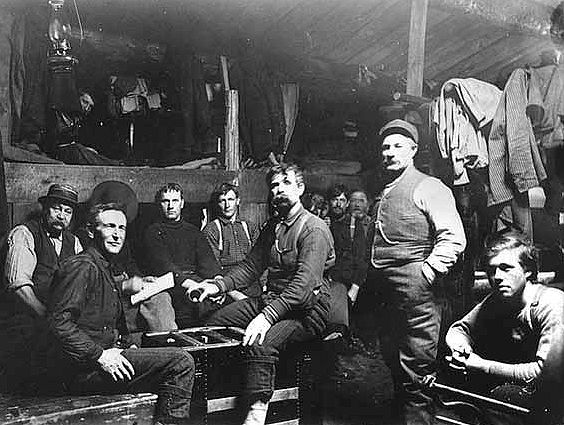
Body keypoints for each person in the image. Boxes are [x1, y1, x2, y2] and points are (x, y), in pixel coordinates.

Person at [184, 162, 335, 425]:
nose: (278, 190)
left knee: (260, 342)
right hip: (273, 301)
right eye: (274, 185)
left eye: (286, 183)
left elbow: (302, 288)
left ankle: (256, 413)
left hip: (307, 311)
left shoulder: (314, 229)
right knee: (214, 324)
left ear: (300, 188)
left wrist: (265, 318)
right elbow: (251, 267)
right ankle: (225, 401)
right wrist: (215, 286)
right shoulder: (273, 226)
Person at [48, 203, 195, 425]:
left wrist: (126, 343)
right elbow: (58, 323)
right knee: (181, 362)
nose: (117, 234)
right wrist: (100, 355)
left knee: (165, 344)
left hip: (102, 355)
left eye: (122, 228)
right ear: (90, 231)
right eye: (109, 226)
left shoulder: (104, 267)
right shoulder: (83, 267)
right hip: (83, 371)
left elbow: (108, 321)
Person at [368, 119, 466, 425]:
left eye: (398, 146)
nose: (390, 152)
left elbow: (454, 237)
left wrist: (427, 271)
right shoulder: (385, 190)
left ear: (413, 150)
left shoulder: (428, 186)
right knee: (393, 359)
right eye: (385, 147)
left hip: (417, 291)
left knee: (417, 369)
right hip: (386, 293)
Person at [445, 230, 564, 424]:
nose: (497, 277)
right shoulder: (497, 300)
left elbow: (542, 374)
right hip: (525, 386)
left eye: (505, 268)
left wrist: (483, 366)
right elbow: (459, 330)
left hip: (555, 391)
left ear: (527, 270)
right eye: (491, 270)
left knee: (503, 397)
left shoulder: (551, 304)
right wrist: (461, 349)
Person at [0, 183, 83, 392]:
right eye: (56, 209)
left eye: (68, 211)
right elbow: (18, 287)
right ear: (45, 209)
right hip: (24, 317)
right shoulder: (25, 233)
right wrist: (47, 318)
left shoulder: (74, 242)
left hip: (58, 318)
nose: (61, 216)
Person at [143, 183, 222, 327]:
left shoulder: (193, 232)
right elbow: (165, 267)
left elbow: (208, 263)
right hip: (170, 285)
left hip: (195, 282)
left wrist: (218, 283)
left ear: (182, 203)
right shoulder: (153, 231)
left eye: (175, 201)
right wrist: (197, 286)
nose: (170, 206)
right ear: (159, 204)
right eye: (165, 201)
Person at [203, 183, 262, 299]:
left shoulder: (250, 227)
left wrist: (264, 286)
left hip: (252, 283)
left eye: (230, 199)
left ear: (238, 201)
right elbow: (212, 268)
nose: (227, 205)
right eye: (222, 201)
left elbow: (261, 260)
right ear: (217, 204)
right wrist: (230, 292)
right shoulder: (212, 229)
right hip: (227, 287)